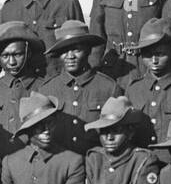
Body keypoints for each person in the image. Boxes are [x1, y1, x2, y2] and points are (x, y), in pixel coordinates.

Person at [79, 96, 161, 184]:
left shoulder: (143, 162)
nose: (109, 137)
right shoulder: (95, 159)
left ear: (130, 132)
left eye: (116, 130)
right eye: (104, 131)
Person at [40, 21, 121, 155]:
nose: (70, 56)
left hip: (96, 162)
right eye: (64, 51)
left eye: (77, 50)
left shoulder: (109, 87)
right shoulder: (47, 90)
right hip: (61, 162)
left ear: (88, 50)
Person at [119, 18, 171, 147]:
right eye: (148, 55)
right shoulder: (134, 89)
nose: (154, 60)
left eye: (160, 54)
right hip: (142, 157)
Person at [0, 22, 46, 156]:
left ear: (28, 53)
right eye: (5, 56)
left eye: (17, 54)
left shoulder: (43, 87)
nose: (12, 62)